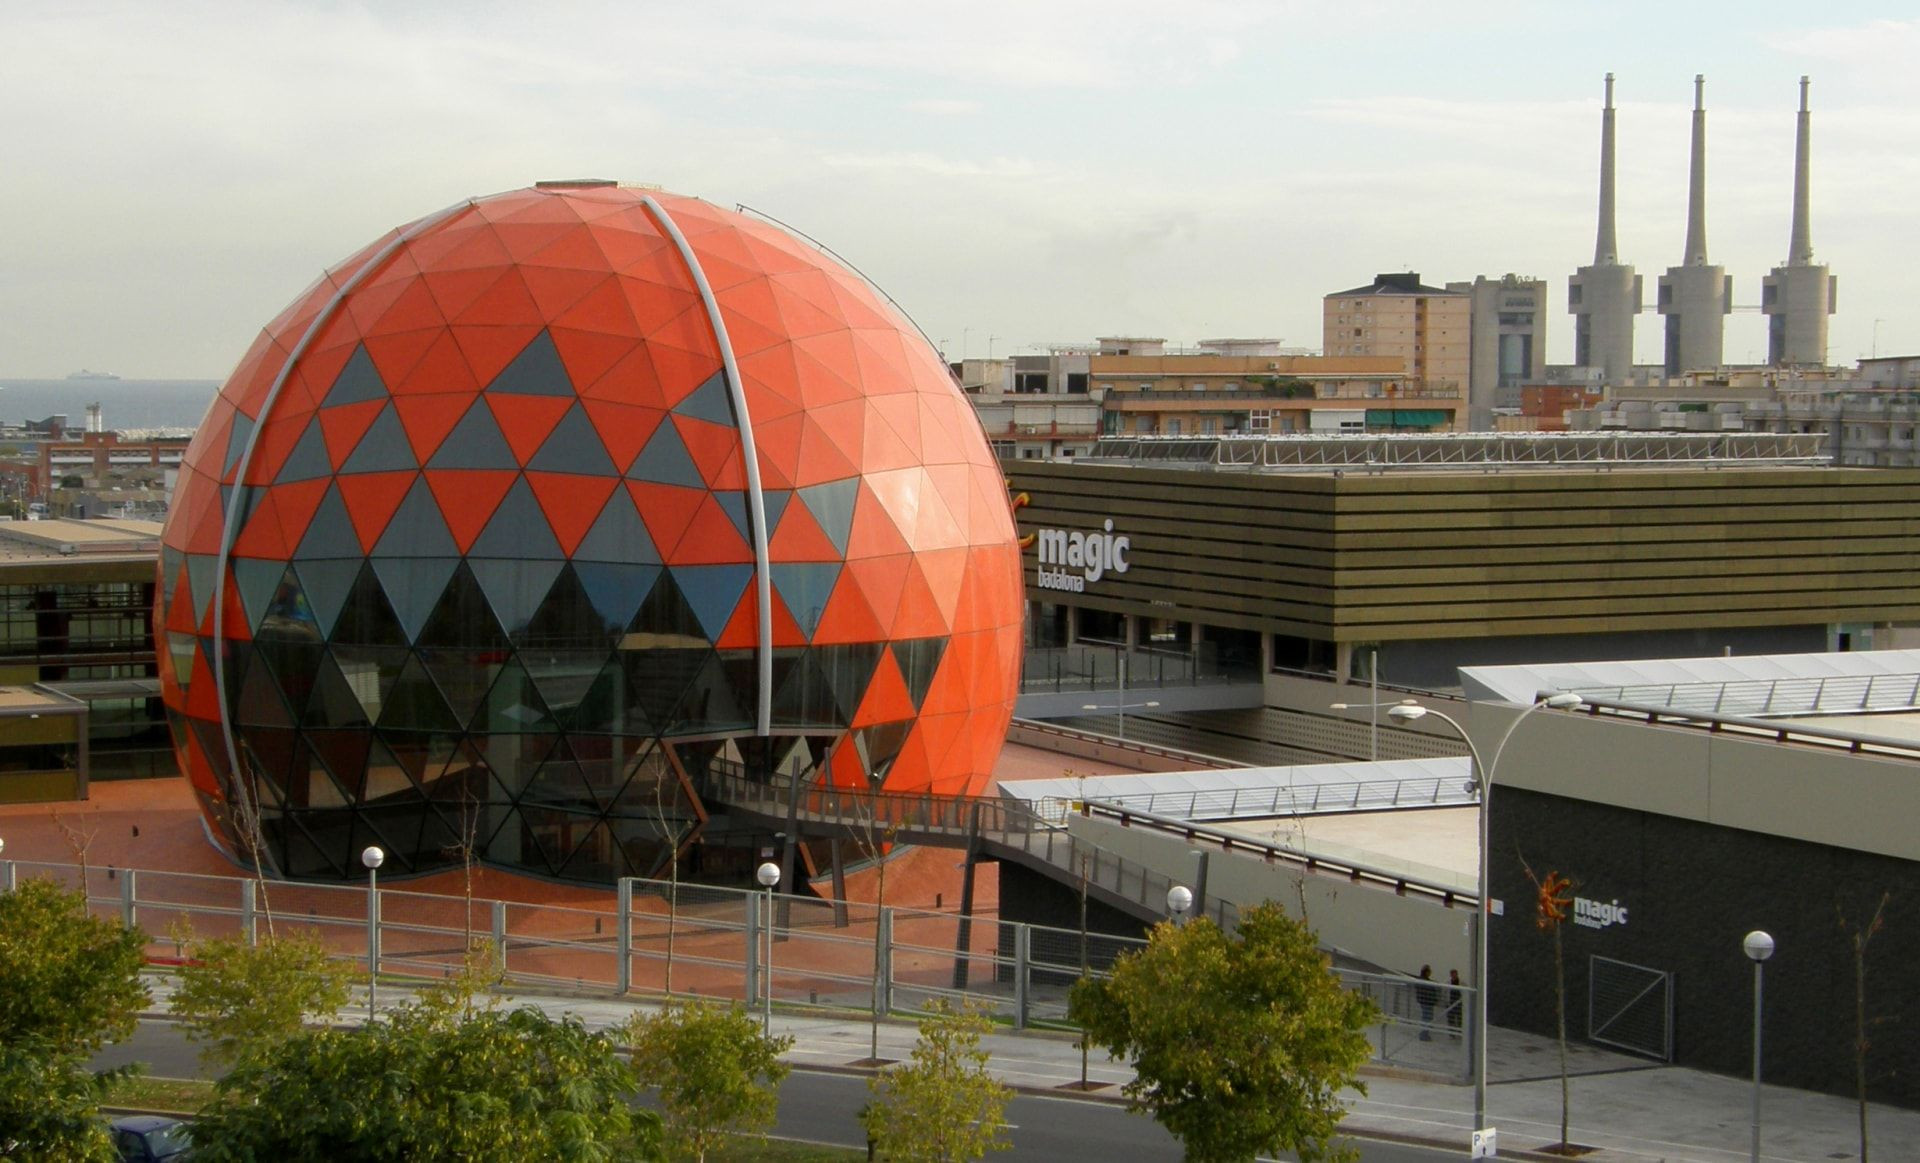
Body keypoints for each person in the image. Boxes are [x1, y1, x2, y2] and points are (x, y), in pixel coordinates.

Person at [1415, 965, 1438, 1041]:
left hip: (1427, 1001)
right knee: (1427, 1018)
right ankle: (1424, 1035)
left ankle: (1424, 1034)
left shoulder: (1424, 980)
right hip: (1427, 1002)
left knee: (1427, 1017)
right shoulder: (1424, 981)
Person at [1446, 969, 1464, 1036]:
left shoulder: (1462, 982)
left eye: (1455, 974)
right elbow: (1445, 992)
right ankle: (1452, 1033)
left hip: (1459, 1003)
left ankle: (1460, 1032)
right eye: (1452, 974)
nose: (1454, 975)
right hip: (1450, 1002)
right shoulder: (1447, 982)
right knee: (1451, 1019)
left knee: (1459, 1019)